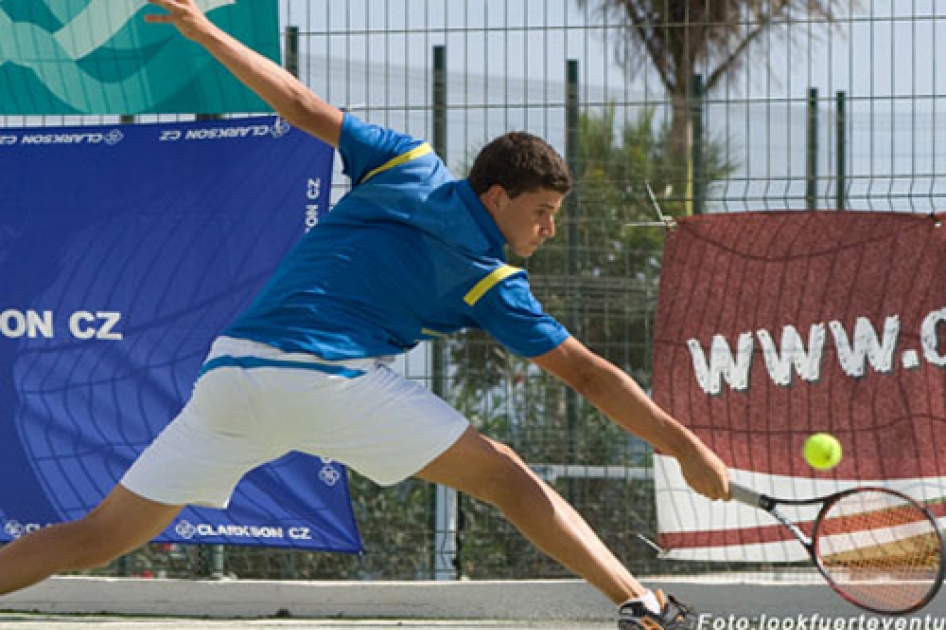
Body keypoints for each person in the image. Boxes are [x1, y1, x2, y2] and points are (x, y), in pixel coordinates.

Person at [0, 1, 730, 628]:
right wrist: (687, 447)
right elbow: (590, 377)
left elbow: (293, 101)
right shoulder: (491, 279)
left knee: (95, 535)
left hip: (229, 379)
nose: (547, 230)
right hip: (324, 382)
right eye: (540, 213)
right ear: (497, 196)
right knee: (509, 479)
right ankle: (643, 606)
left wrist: (202, 30)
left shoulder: (406, 161)